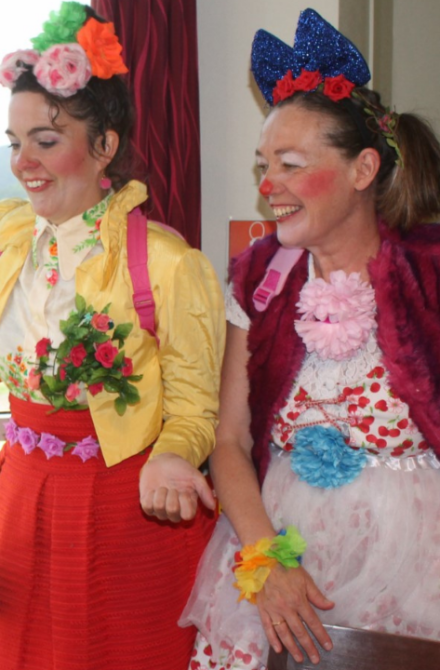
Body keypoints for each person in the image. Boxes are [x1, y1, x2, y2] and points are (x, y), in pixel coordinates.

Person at [0, 3, 225, 668]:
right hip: (23, 498)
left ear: (106, 147)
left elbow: (193, 404)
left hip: (129, 510)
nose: (24, 162)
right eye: (15, 143)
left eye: (45, 140)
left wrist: (175, 453)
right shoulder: (12, 234)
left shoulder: (167, 263)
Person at [180, 8, 440, 669]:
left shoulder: (430, 275)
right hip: (281, 551)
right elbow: (230, 439)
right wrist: (265, 560)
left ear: (362, 170)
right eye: (264, 165)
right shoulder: (259, 276)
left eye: (291, 164)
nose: (269, 187)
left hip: (416, 567)